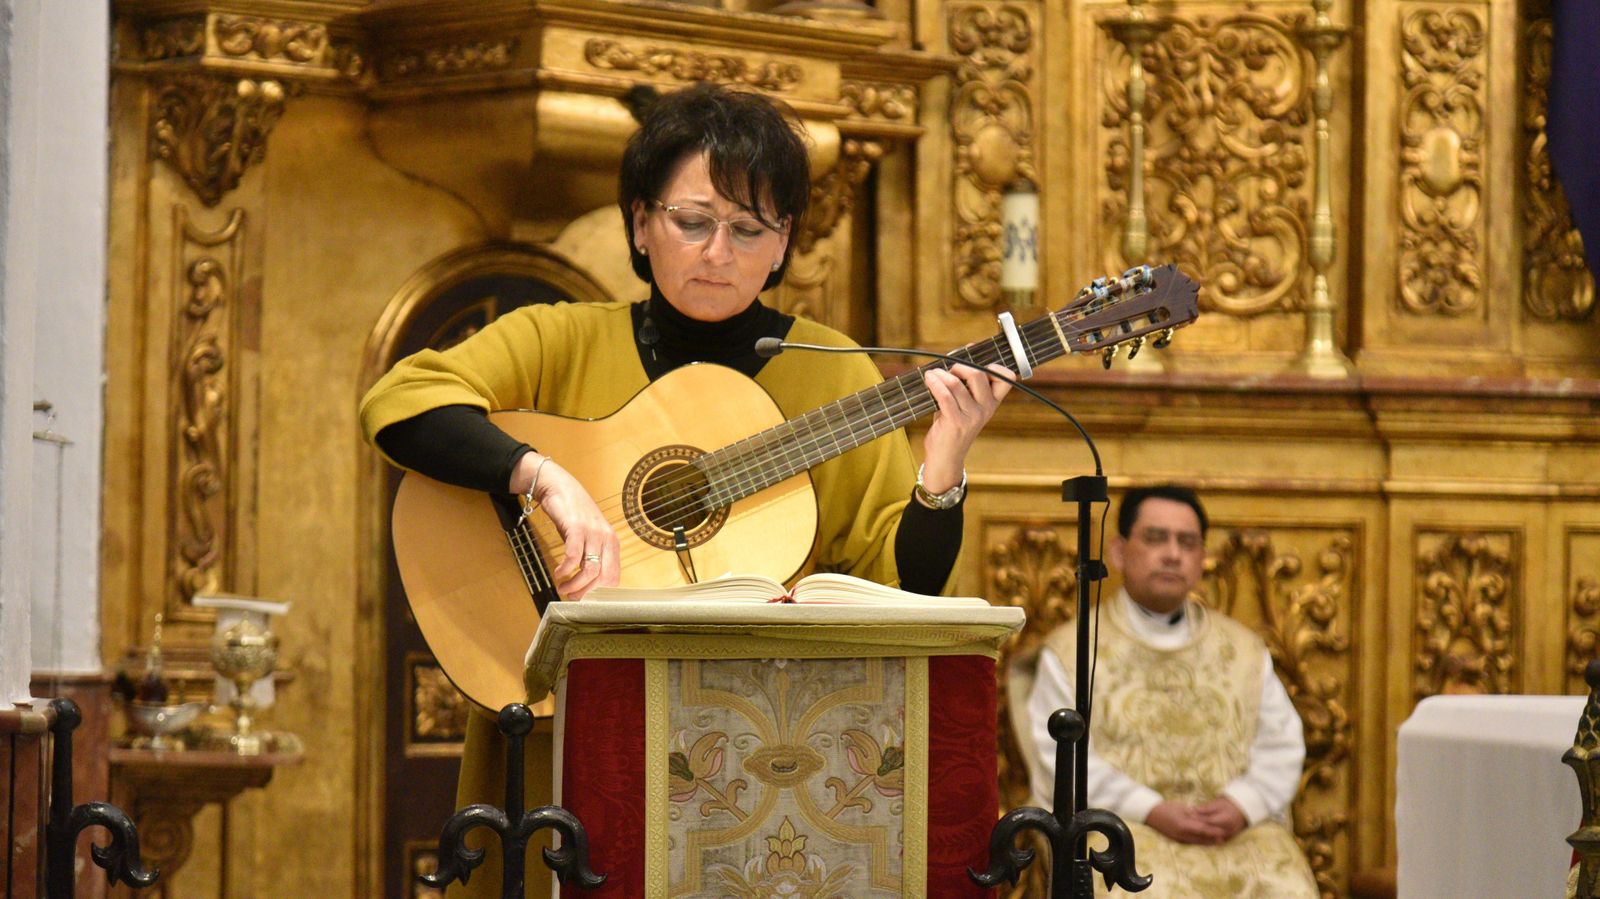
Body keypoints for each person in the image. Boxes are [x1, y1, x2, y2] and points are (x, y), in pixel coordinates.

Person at [360, 83, 1011, 897]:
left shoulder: (833, 370)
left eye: (749, 229)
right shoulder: (561, 339)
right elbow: (400, 402)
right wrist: (540, 474)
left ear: (782, 246)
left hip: (765, 759)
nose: (718, 253)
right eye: (692, 221)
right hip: (569, 723)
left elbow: (903, 587)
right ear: (640, 223)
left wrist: (942, 465)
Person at [1015, 484, 1318, 898]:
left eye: (1187, 542)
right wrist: (1151, 809)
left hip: (1231, 833)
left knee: (1286, 885)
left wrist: (1242, 804)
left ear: (1202, 559)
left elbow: (1281, 745)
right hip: (1123, 831)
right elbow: (1058, 761)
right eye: (1156, 538)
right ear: (1120, 552)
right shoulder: (1074, 651)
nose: (1173, 553)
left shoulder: (1244, 651)